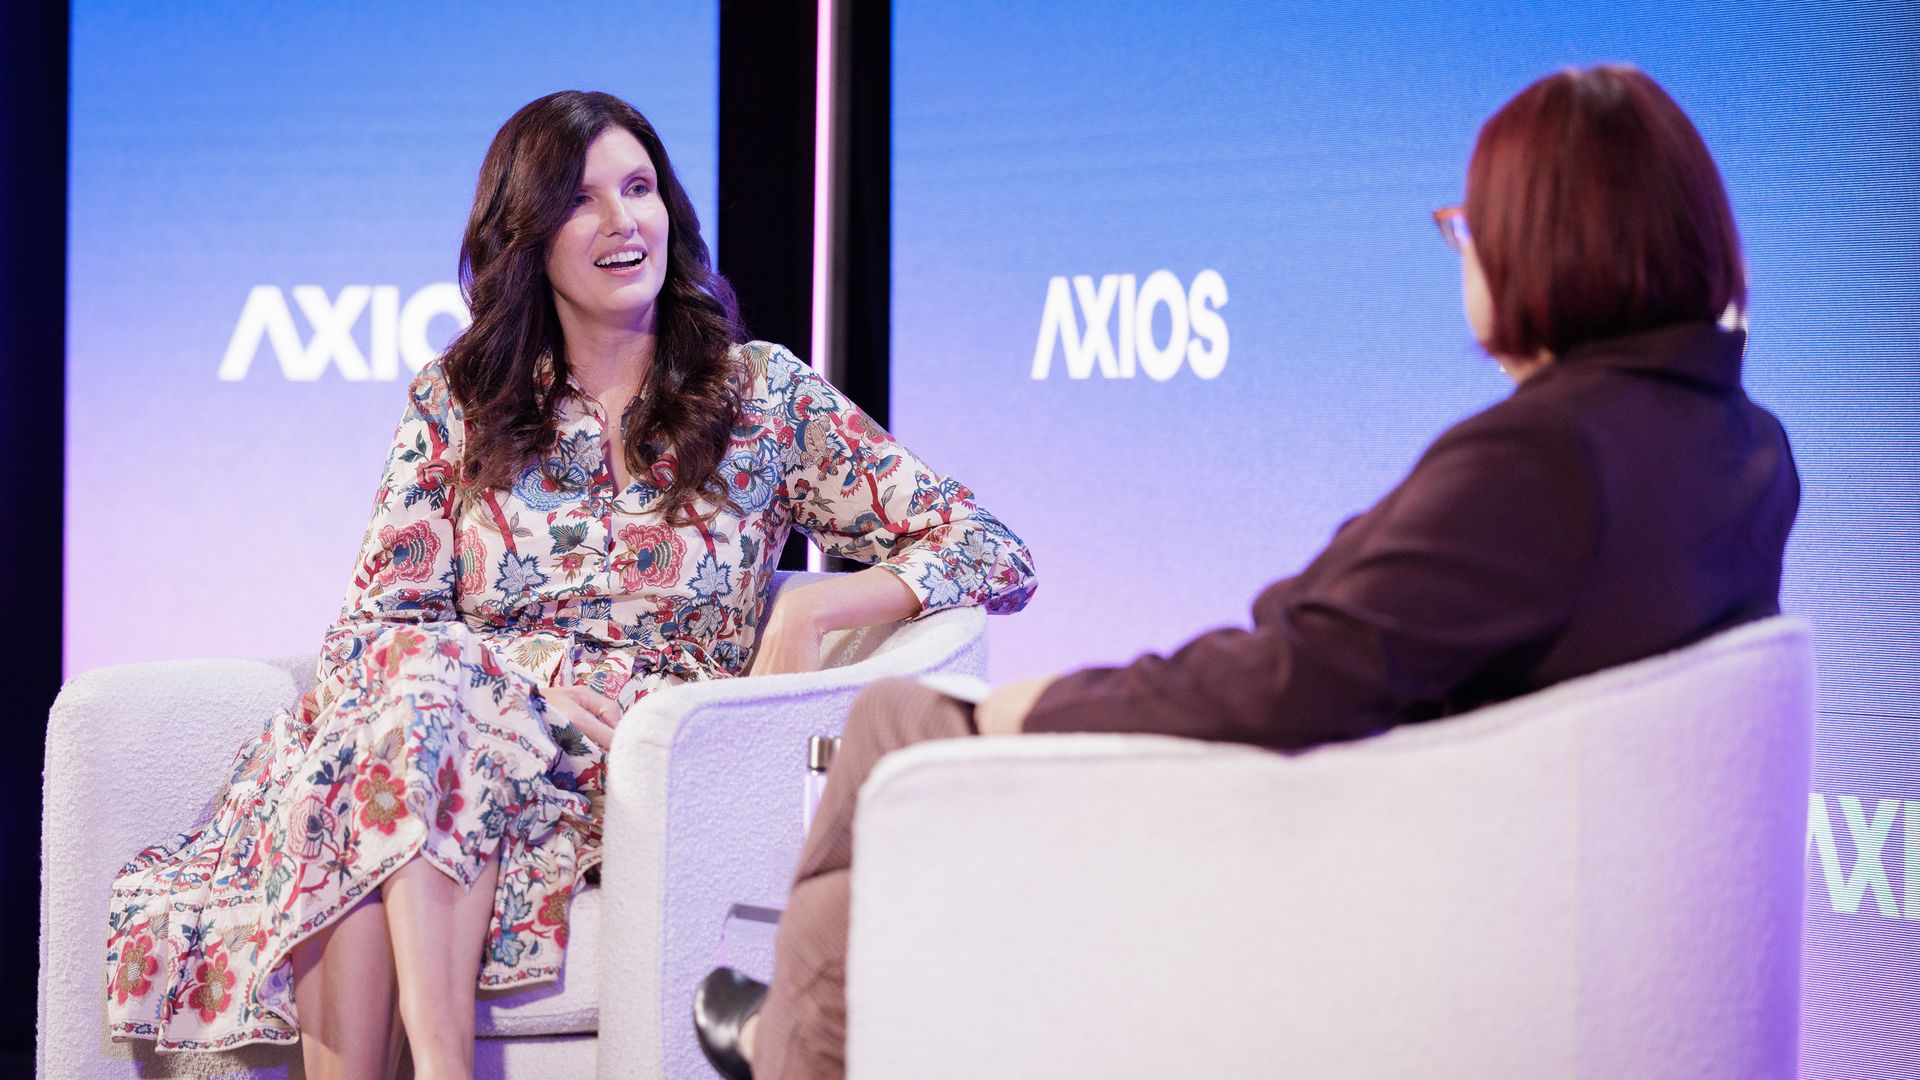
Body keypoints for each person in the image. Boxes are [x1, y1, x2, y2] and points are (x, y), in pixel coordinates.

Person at [691, 63, 1800, 1080]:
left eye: (1471, 226)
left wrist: (1030, 710)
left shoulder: (1547, 455)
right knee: (875, 841)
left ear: (1541, 242)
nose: (1465, 252)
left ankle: (790, 1035)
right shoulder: (1743, 447)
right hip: (1471, 852)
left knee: (895, 722)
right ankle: (799, 1026)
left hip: (1352, 867)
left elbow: (1293, 680)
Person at [102, 90, 1036, 1080]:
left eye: (640, 189)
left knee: (386, 768)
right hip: (453, 746)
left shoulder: (759, 396)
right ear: (529, 236)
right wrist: (513, 686)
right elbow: (380, 620)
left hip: (627, 767)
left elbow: (990, 549)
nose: (624, 221)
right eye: (583, 201)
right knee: (411, 720)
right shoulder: (460, 400)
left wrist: (819, 601)